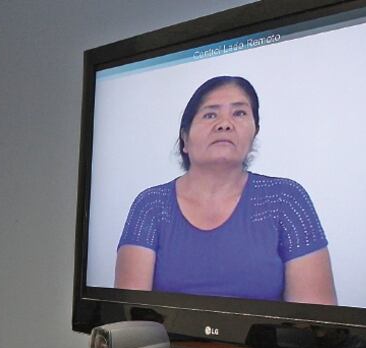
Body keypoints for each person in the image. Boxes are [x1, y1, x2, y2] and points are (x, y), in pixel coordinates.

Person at [115, 75, 338, 304]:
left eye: (239, 113)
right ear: (185, 139)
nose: (225, 124)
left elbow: (315, 326)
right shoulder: (151, 204)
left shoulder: (286, 199)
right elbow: (131, 322)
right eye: (210, 114)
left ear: (254, 134)